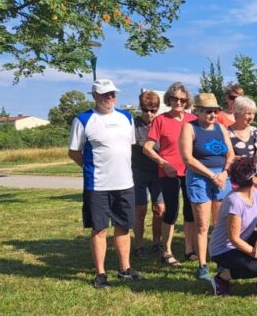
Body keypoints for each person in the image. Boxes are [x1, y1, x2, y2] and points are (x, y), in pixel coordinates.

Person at [68, 79, 142, 288]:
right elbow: (74, 152)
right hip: (97, 185)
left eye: (112, 94)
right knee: (99, 229)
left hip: (124, 183)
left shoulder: (126, 117)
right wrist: (90, 167)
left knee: (124, 227)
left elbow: (127, 146)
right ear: (94, 96)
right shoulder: (83, 120)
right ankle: (100, 273)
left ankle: (125, 268)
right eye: (104, 94)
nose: (109, 98)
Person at [179, 93, 235, 281]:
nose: (212, 115)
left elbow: (231, 154)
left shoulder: (221, 128)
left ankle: (220, 258)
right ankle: (202, 264)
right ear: (198, 111)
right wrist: (211, 175)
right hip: (200, 178)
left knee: (220, 223)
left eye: (215, 111)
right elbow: (188, 158)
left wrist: (225, 173)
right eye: (208, 111)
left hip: (221, 177)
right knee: (202, 224)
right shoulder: (190, 128)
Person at [209, 157, 257, 296]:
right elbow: (234, 239)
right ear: (250, 178)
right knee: (256, 267)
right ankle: (221, 278)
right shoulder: (234, 201)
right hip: (223, 249)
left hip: (243, 241)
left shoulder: (254, 193)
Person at [143, 82, 197, 267]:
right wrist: (164, 163)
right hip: (169, 173)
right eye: (175, 99)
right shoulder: (160, 120)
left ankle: (189, 249)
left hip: (190, 171)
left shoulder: (193, 119)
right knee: (171, 212)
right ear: (169, 99)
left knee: (190, 211)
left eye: (182, 99)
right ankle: (167, 251)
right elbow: (147, 148)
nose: (179, 102)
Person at [131, 90, 165, 258]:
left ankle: (157, 243)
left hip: (158, 172)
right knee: (140, 210)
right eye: (146, 110)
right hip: (138, 172)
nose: (150, 114)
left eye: (153, 110)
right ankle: (139, 245)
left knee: (159, 209)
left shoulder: (161, 123)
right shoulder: (133, 125)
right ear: (141, 108)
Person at [228, 95, 257, 203]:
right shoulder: (227, 133)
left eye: (253, 113)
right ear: (238, 112)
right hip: (234, 180)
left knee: (255, 211)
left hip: (254, 179)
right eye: (248, 113)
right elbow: (223, 157)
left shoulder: (255, 131)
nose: (251, 117)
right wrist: (233, 159)